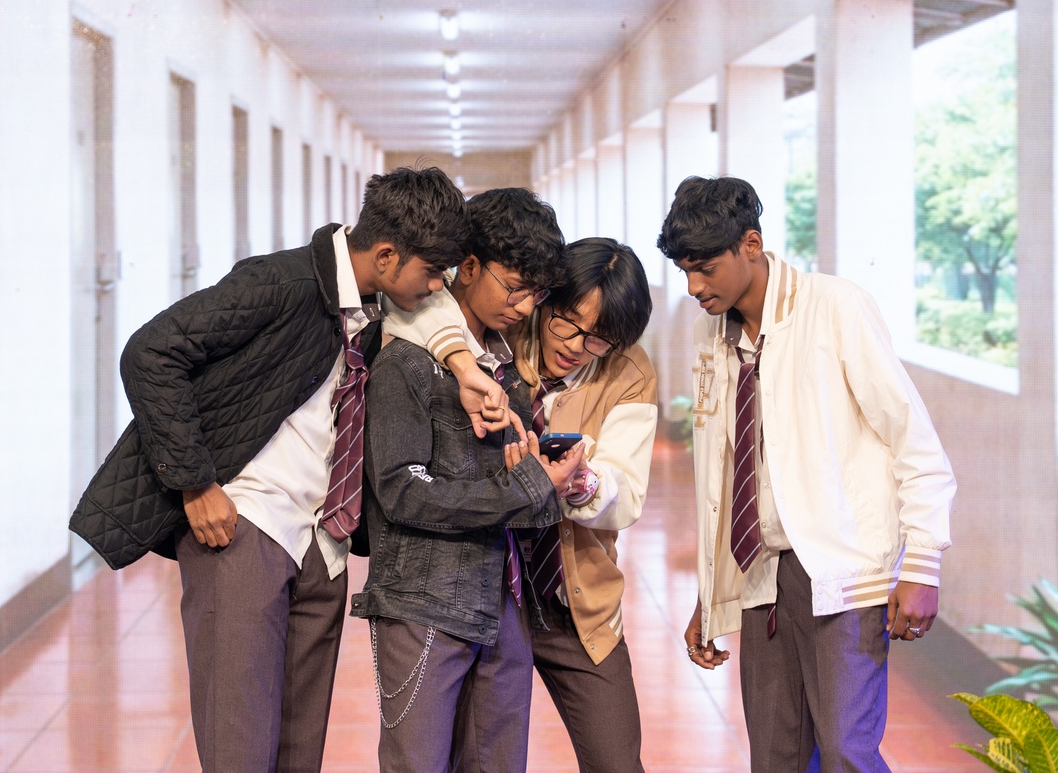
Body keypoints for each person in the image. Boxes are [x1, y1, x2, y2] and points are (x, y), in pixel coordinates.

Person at [70, 166, 469, 773]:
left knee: (298, 752)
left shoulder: (379, 306)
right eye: (433, 271)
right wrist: (195, 483)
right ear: (387, 255)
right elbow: (150, 353)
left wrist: (463, 367)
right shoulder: (280, 282)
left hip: (323, 543)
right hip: (245, 528)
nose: (438, 286)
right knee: (239, 749)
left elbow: (439, 315)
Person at [661, 176, 956, 773]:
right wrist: (710, 595)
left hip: (839, 569)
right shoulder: (709, 333)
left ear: (751, 244)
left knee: (847, 751)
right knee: (776, 757)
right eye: (685, 271)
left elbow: (913, 439)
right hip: (760, 574)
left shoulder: (834, 307)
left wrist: (923, 563)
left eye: (706, 269)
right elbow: (723, 474)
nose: (694, 287)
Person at [390, 237, 658, 772]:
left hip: (573, 598)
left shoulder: (630, 372)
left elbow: (626, 494)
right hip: (486, 588)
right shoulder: (506, 326)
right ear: (546, 299)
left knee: (616, 759)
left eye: (599, 339)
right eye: (567, 323)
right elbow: (416, 310)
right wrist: (463, 364)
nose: (577, 346)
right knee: (475, 757)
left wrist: (578, 483)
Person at [350, 187, 583, 772]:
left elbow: (513, 494)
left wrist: (548, 483)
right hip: (424, 602)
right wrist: (526, 488)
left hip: (501, 600)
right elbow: (401, 492)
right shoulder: (405, 361)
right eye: (515, 287)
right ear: (469, 266)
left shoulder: (505, 368)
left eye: (537, 295)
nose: (525, 307)